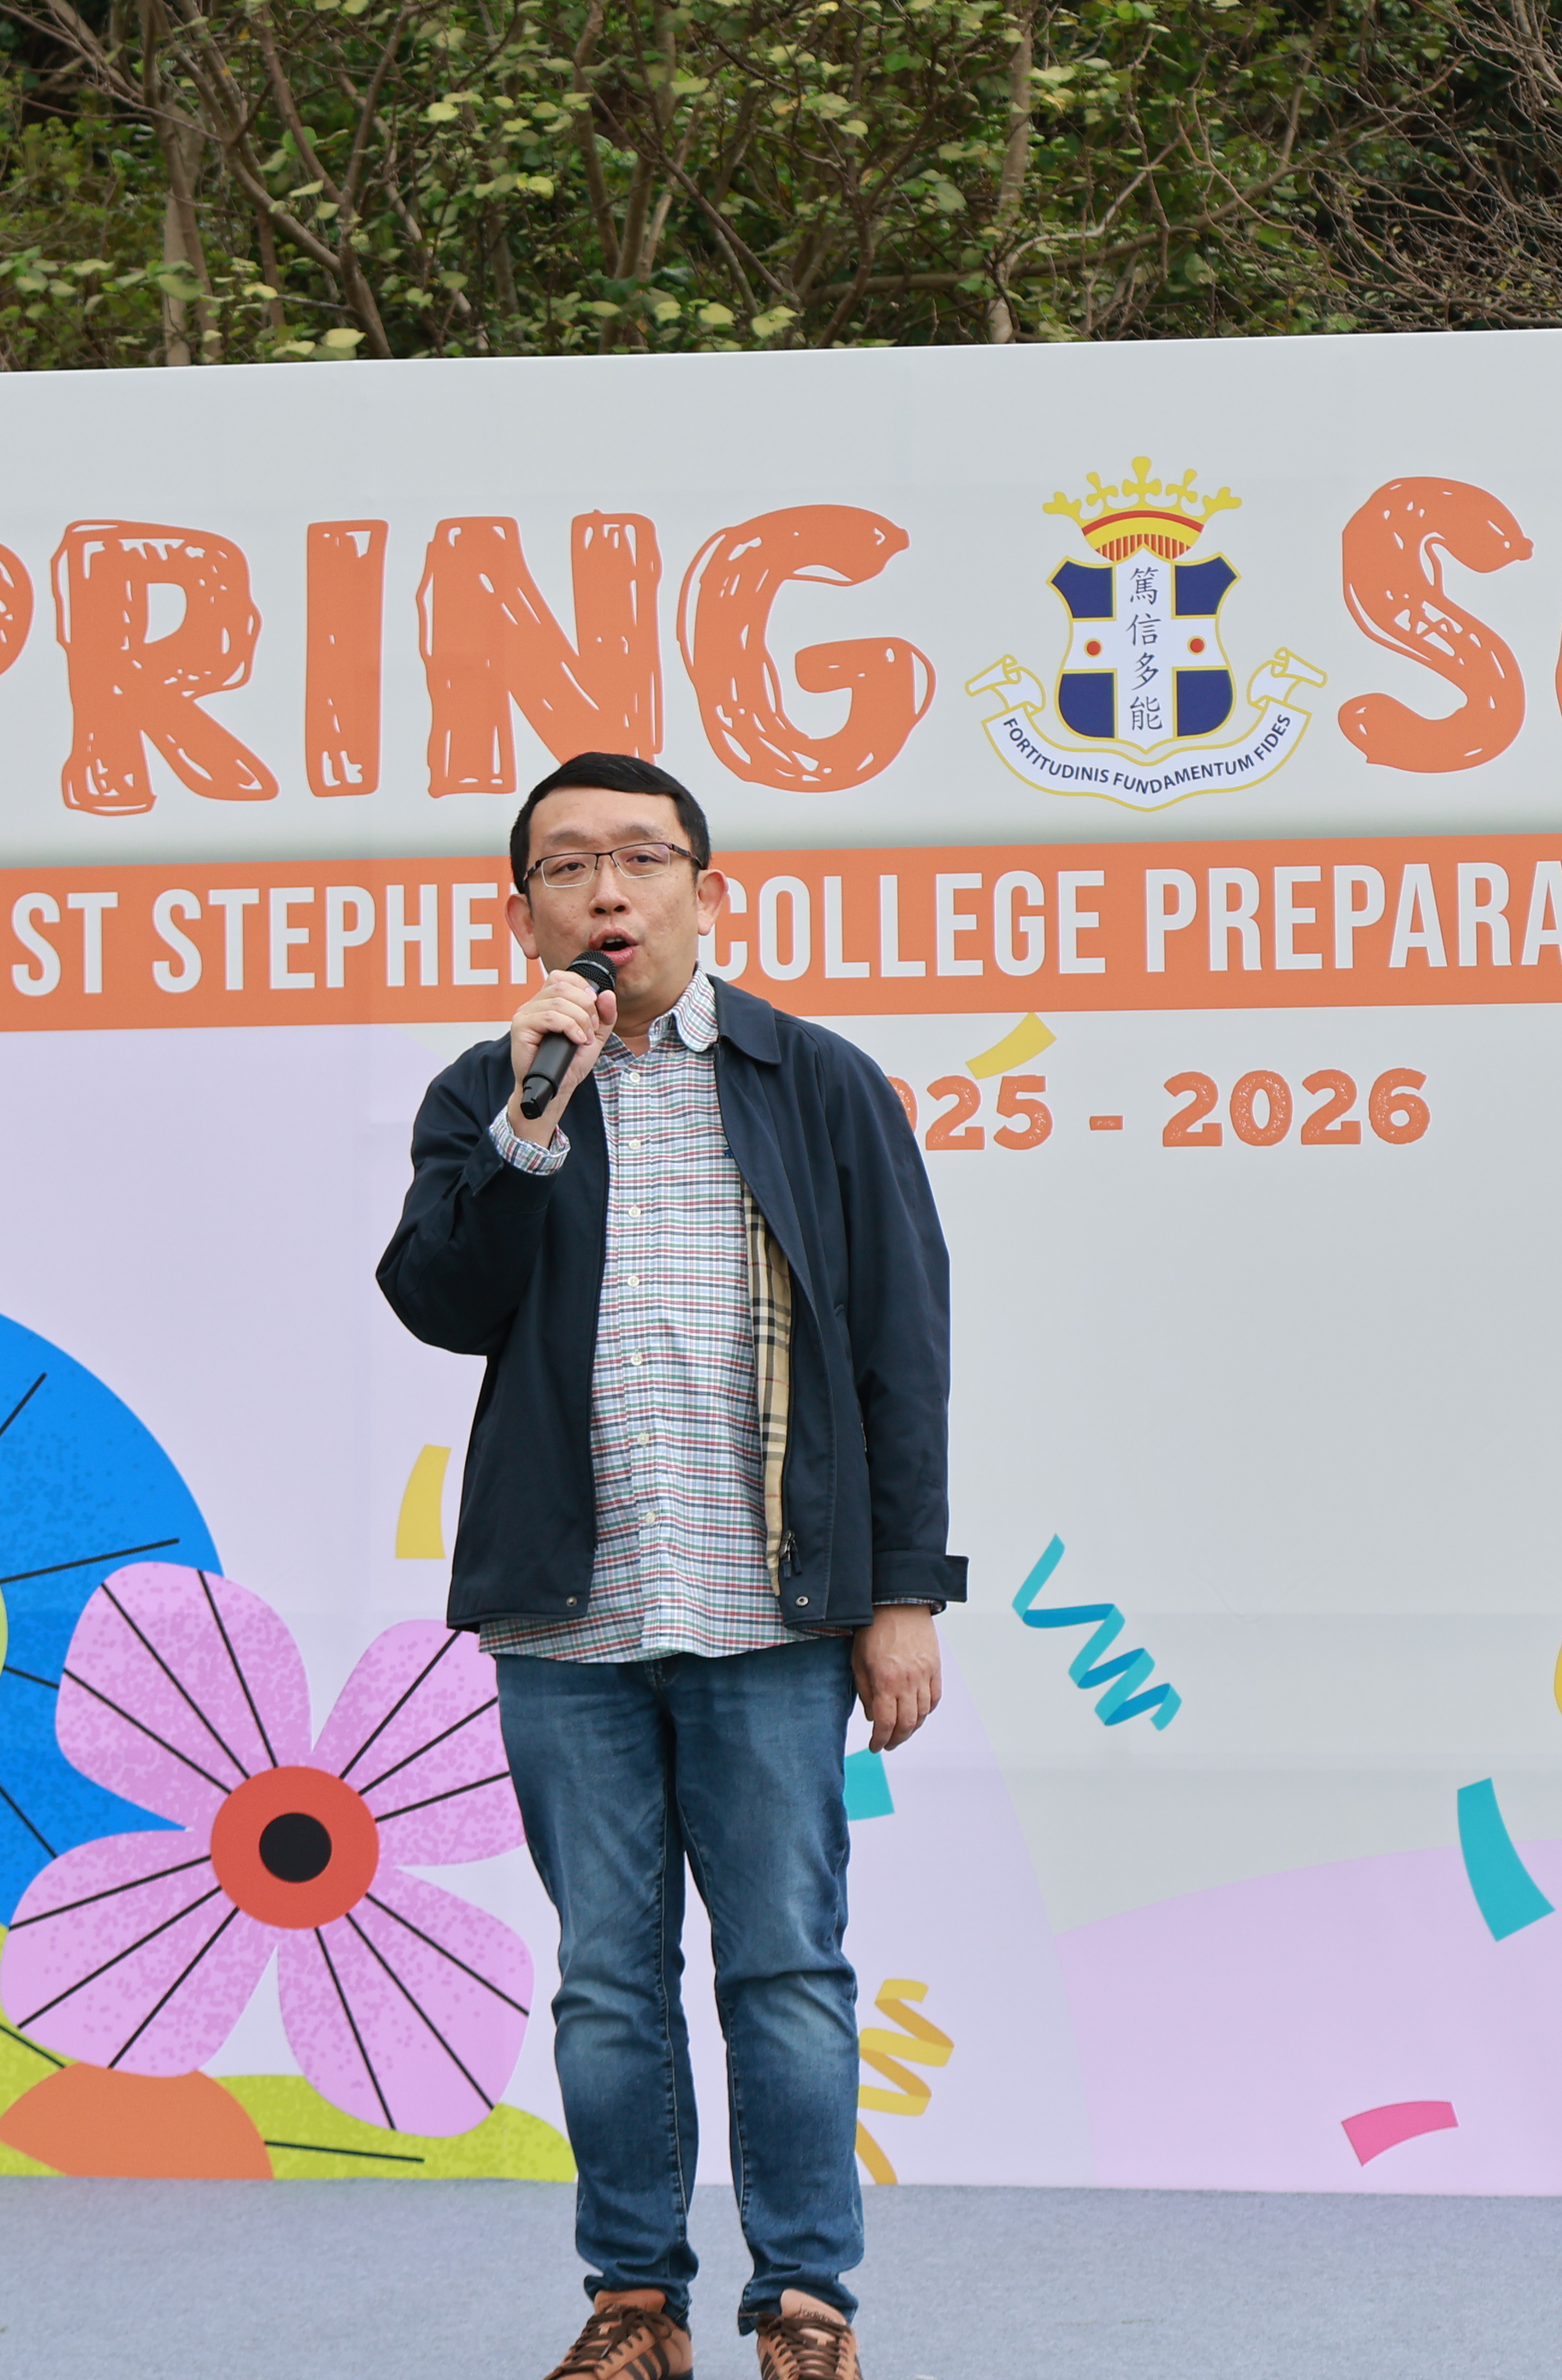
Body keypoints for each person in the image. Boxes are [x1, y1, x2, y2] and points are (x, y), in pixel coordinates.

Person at [377, 751, 960, 2380]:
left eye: (639, 859)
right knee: (606, 1984)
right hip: (569, 1619)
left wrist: (902, 1593)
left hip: (772, 1609)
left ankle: (806, 2303)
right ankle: (635, 2302)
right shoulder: (489, 1095)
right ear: (524, 915)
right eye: (567, 868)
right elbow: (439, 1301)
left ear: (709, 891)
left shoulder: (817, 1082)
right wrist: (530, 1120)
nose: (606, 892)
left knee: (787, 1970)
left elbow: (902, 1350)